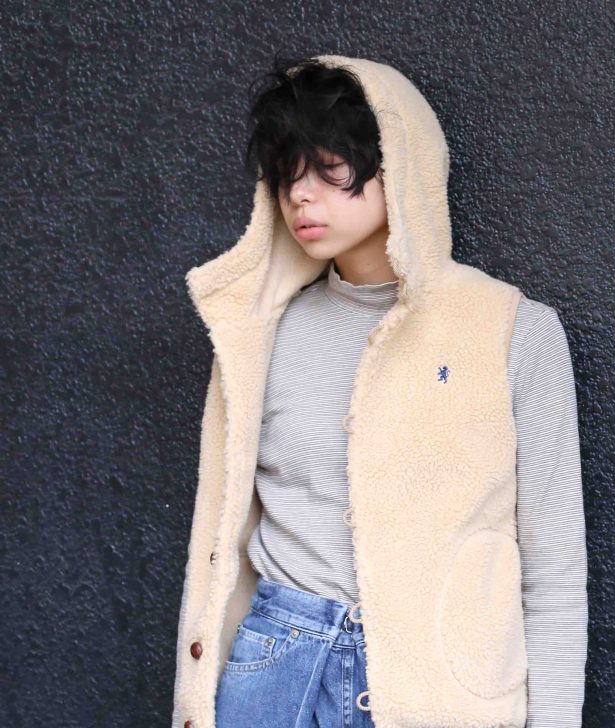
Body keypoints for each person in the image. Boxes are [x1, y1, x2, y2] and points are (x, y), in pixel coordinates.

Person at [171, 55, 587, 728]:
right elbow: (216, 552)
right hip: (275, 670)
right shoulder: (258, 335)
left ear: (399, 164)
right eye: (286, 172)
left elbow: (554, 567)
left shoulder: (514, 330)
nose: (301, 195)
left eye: (329, 166)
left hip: (441, 686)